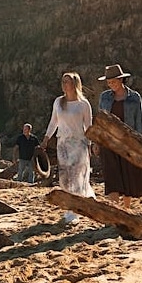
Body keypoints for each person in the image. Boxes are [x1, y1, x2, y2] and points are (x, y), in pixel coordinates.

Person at [96, 63, 142, 210]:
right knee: (112, 176)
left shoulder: (134, 98)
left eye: (114, 81)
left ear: (121, 80)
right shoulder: (104, 98)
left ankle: (126, 208)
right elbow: (100, 121)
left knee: (128, 175)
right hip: (108, 142)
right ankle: (115, 209)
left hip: (128, 142)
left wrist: (140, 143)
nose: (111, 85)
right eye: (109, 82)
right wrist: (97, 141)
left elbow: (139, 122)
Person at [40, 72, 95, 224]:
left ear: (75, 84)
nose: (64, 85)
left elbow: (88, 127)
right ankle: (73, 207)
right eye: (63, 82)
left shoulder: (84, 104)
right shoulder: (58, 102)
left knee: (78, 177)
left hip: (79, 144)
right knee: (65, 177)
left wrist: (90, 146)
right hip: (63, 144)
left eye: (68, 82)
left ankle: (76, 210)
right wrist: (46, 139)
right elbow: (53, 122)